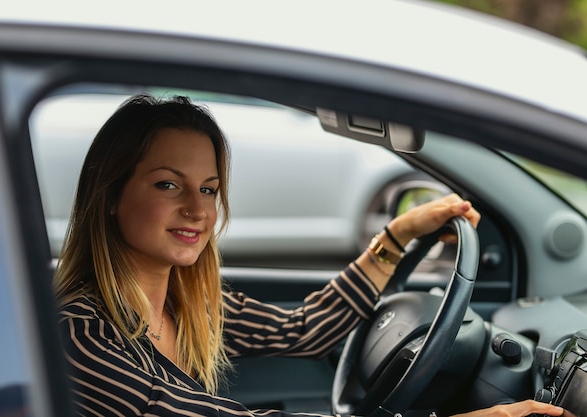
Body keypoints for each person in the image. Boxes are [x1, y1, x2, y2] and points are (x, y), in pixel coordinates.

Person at [54, 94, 564, 417]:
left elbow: (301, 329)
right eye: (169, 184)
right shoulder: (79, 335)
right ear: (111, 194)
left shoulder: (188, 304)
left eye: (209, 190)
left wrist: (399, 234)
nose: (197, 210)